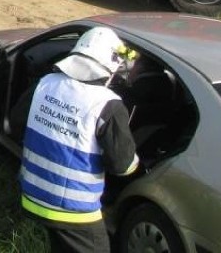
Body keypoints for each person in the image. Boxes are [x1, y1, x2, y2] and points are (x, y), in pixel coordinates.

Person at [14, 27, 140, 253]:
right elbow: (122, 166)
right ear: (111, 67)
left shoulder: (45, 83)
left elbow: (17, 122)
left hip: (31, 195)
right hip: (73, 211)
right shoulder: (107, 104)